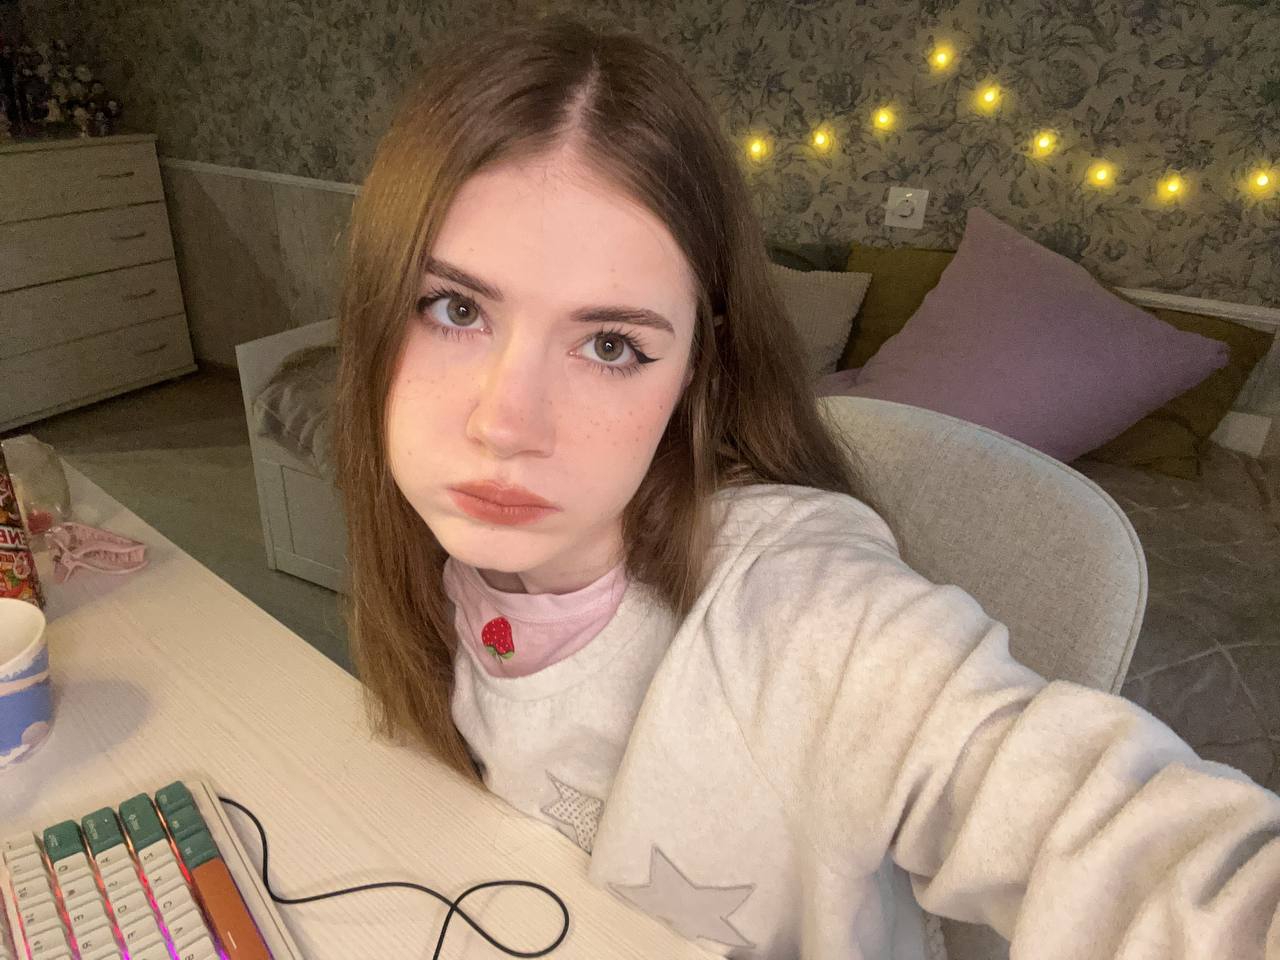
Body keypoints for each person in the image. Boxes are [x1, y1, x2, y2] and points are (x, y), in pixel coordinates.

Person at [331, 14, 1280, 960]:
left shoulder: (803, 608)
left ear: (695, 370)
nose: (506, 424)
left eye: (610, 344)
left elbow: (1131, 851)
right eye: (454, 308)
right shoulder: (451, 564)